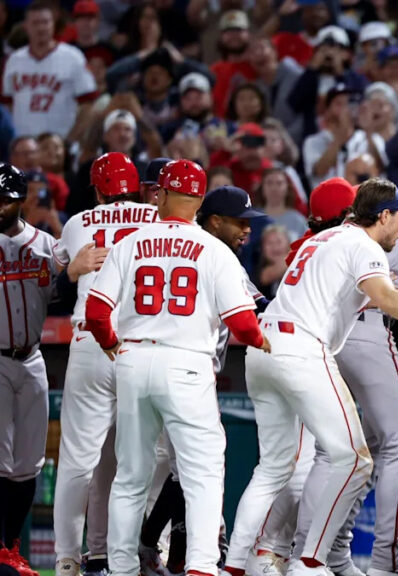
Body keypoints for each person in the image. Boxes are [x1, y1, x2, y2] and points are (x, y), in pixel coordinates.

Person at [232, 178, 398, 576]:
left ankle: (238, 563)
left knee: (282, 466)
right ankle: (326, 560)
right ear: (383, 215)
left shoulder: (320, 238)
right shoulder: (364, 245)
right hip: (306, 349)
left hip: (265, 346)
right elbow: (385, 297)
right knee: (361, 457)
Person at [82, 159, 267, 576]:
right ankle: (201, 566)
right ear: (199, 201)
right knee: (202, 472)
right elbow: (242, 323)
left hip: (132, 360)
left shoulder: (130, 242)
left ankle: (122, 568)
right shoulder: (215, 250)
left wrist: (112, 345)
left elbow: (96, 312)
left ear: (161, 194)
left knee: (130, 477)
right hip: (187, 363)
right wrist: (261, 341)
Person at [52, 153, 159, 576]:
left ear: (96, 190)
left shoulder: (80, 222)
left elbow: (59, 277)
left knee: (80, 460)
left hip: (93, 341)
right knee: (138, 461)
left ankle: (66, 560)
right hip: (143, 344)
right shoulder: (157, 216)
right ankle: (127, 556)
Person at [0, 163, 60, 555]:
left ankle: (12, 546)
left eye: (4, 199)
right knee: (0, 460)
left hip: (33, 356)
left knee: (29, 463)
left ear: (20, 199)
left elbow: (63, 293)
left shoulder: (47, 245)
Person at [0, 0, 97, 141]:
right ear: (25, 26)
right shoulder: (14, 60)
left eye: (45, 22)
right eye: (35, 23)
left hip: (59, 145)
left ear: (53, 24)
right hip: (23, 147)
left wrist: (71, 140)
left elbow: (89, 105)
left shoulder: (73, 57)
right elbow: (7, 105)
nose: (41, 28)